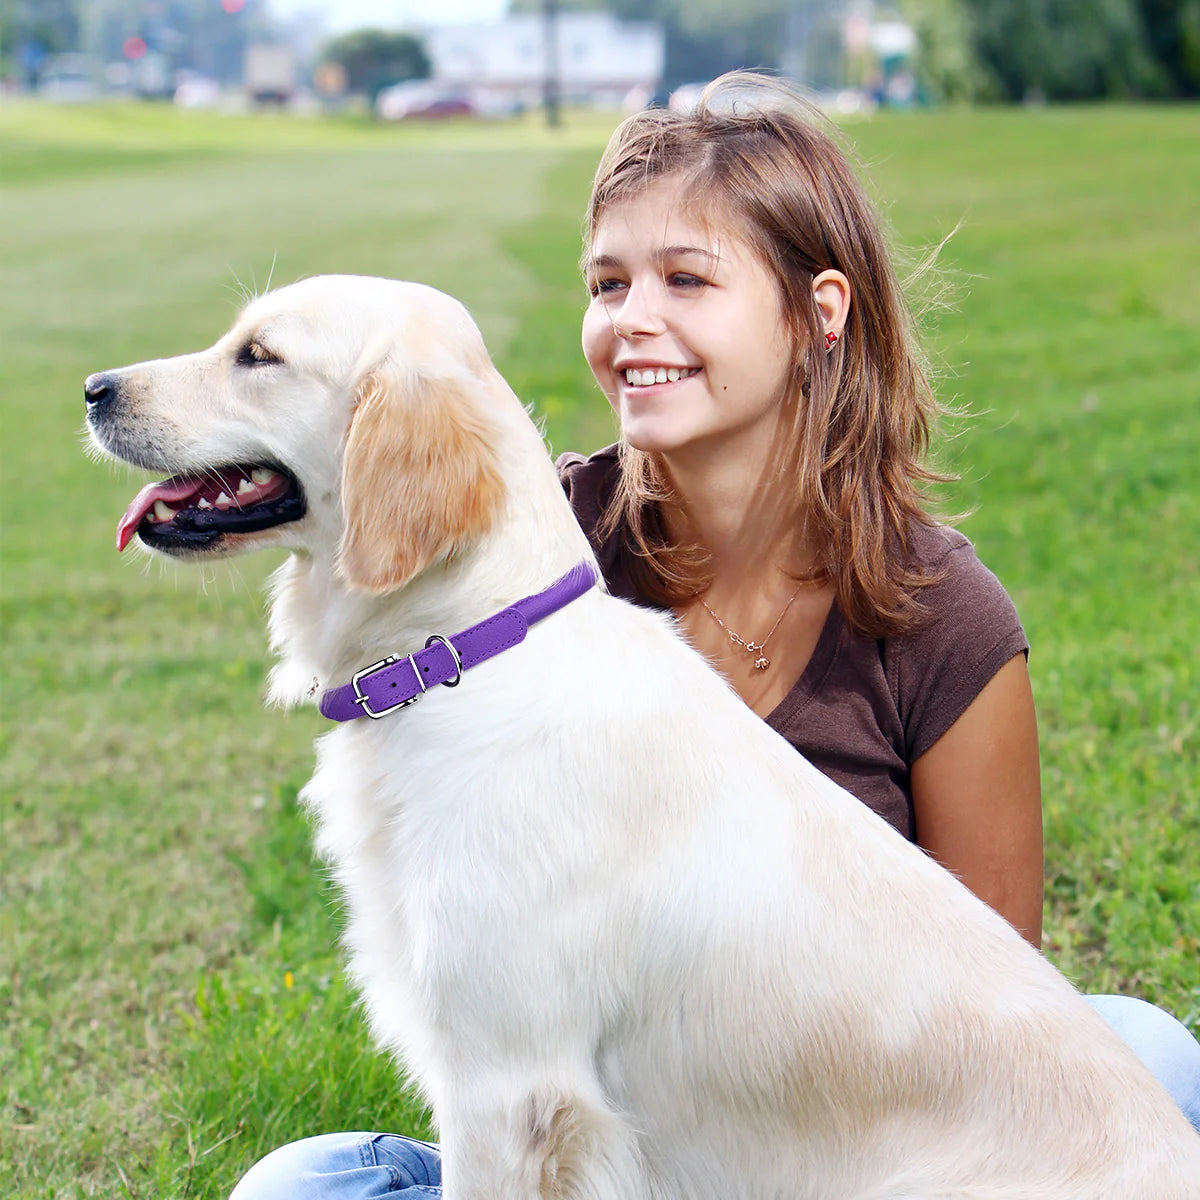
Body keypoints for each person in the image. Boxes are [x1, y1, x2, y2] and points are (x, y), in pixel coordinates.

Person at [230, 74, 1200, 1198]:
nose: (633, 318)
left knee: (1139, 1049)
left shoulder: (942, 613)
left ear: (818, 314)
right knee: (303, 1186)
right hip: (628, 1133)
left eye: (687, 279)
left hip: (846, 1143)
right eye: (608, 282)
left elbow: (986, 995)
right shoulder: (531, 560)